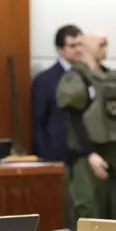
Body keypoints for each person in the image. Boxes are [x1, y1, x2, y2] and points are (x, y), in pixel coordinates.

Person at [57, 34, 116, 221]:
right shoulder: (76, 79)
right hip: (90, 160)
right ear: (84, 48)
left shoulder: (111, 79)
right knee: (89, 216)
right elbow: (73, 120)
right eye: (100, 44)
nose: (104, 47)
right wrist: (89, 154)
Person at [31, 24, 83, 162]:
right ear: (60, 50)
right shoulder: (45, 80)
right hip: (57, 154)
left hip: (85, 155)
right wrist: (46, 157)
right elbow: (38, 123)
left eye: (80, 45)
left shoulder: (89, 76)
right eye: (72, 46)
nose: (78, 50)